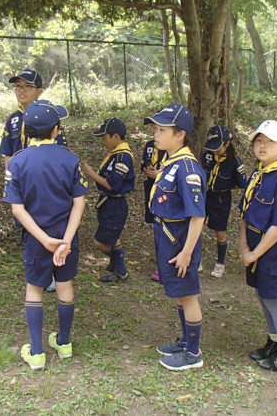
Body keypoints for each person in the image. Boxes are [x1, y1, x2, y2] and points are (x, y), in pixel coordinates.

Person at [3, 100, 89, 370]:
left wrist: (44, 240)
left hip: (36, 238)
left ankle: (37, 352)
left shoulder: (17, 162)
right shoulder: (70, 158)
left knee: (34, 288)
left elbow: (18, 210)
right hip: (66, 238)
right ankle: (63, 343)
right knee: (64, 285)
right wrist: (65, 240)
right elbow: (80, 202)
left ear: (26, 130)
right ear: (56, 130)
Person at [146, 104, 206, 371]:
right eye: (155, 128)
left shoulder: (187, 168)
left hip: (181, 239)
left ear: (180, 134)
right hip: (168, 235)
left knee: (188, 294)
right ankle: (185, 341)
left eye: (161, 129)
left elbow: (198, 216)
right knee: (181, 295)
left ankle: (193, 353)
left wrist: (186, 252)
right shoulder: (171, 161)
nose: (155, 134)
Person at [239, 120, 277, 371]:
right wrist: (244, 246)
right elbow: (245, 213)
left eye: (269, 142)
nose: (262, 146)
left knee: (275, 300)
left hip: (273, 252)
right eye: (258, 141)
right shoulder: (259, 174)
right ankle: (274, 342)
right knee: (262, 295)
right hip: (255, 249)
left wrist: (254, 253)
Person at [0, 68, 68, 292]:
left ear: (39, 90)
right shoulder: (13, 120)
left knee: (48, 219)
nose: (21, 90)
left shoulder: (50, 116)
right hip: (23, 180)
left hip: (46, 180)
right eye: (18, 86)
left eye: (27, 86)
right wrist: (11, 180)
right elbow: (8, 153)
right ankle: (38, 267)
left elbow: (61, 152)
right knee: (28, 223)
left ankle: (54, 266)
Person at [81, 118, 135, 283]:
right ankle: (118, 266)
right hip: (109, 204)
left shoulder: (123, 157)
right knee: (113, 237)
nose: (103, 141)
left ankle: (120, 267)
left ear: (116, 137)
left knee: (100, 243)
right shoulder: (116, 154)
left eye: (105, 137)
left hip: (115, 206)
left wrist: (90, 173)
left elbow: (112, 185)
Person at [201, 125, 247, 278]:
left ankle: (220, 263)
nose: (214, 150)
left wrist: (224, 185)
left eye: (218, 147)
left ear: (227, 144)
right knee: (196, 227)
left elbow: (242, 184)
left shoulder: (234, 162)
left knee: (220, 233)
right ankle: (196, 259)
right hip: (203, 196)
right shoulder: (207, 155)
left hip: (221, 200)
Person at [141, 120, 166, 281]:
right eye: (152, 127)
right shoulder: (150, 145)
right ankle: (160, 262)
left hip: (165, 191)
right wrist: (147, 170)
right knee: (156, 227)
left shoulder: (170, 149)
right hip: (151, 189)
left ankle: (164, 265)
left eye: (157, 128)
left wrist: (159, 173)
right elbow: (144, 161)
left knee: (165, 227)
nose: (154, 130)